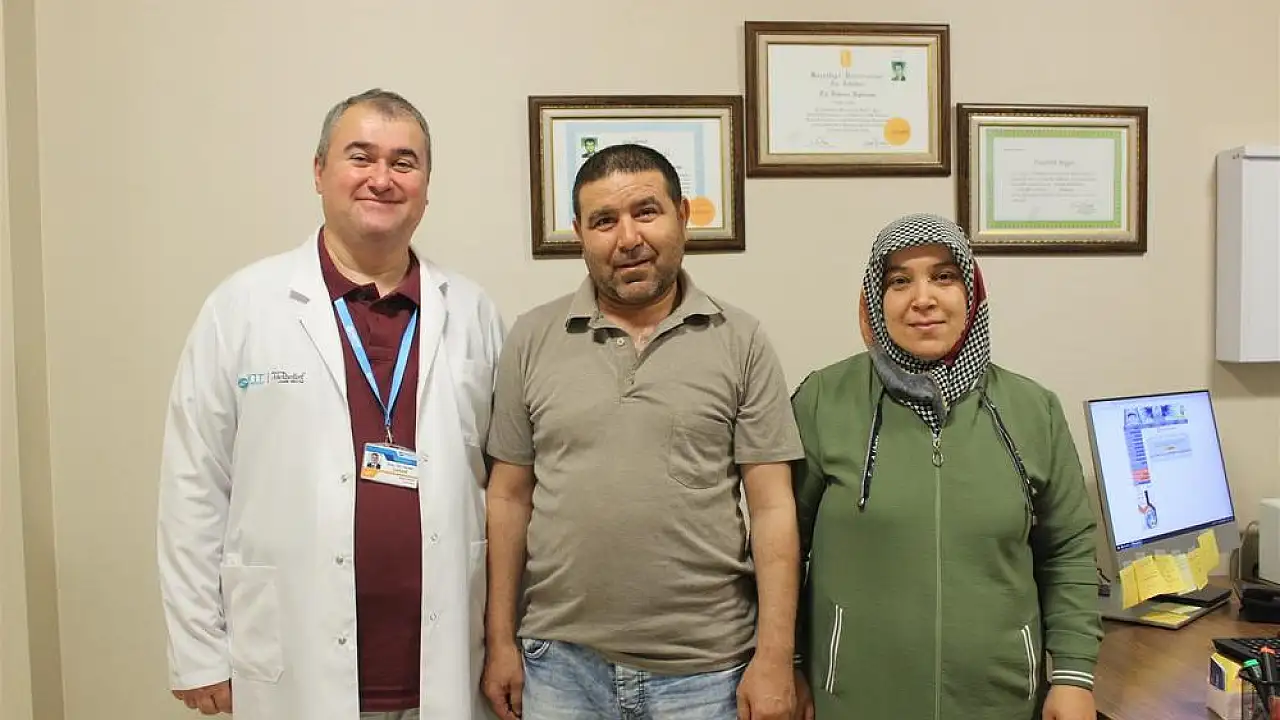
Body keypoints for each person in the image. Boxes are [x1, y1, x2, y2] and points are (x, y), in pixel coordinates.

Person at [156, 88, 504, 720]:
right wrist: (198, 648)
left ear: (427, 187)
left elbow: (506, 484)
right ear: (319, 171)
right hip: (292, 657)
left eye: (404, 162)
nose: (382, 178)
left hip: (447, 659)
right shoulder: (243, 306)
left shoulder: (473, 311)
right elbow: (193, 483)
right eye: (360, 157)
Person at [481, 143, 804, 720]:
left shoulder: (742, 340)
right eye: (604, 220)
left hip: (708, 672)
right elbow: (508, 498)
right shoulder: (531, 339)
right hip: (560, 666)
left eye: (646, 212)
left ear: (683, 215)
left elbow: (773, 507)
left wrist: (775, 658)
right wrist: (499, 640)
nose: (628, 238)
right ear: (579, 234)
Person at [789, 213, 1102, 720]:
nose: (923, 298)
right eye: (899, 281)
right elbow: (781, 547)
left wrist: (1072, 675)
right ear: (874, 299)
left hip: (1000, 703)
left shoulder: (1033, 409)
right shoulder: (823, 400)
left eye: (943, 276)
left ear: (971, 291)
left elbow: (1068, 551)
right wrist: (789, 663)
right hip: (855, 702)